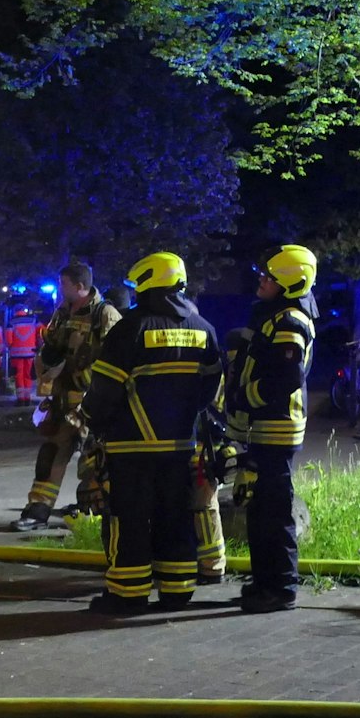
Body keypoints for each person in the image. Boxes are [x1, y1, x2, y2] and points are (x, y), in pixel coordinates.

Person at [79, 251, 221, 615]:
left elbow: (104, 391)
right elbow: (210, 391)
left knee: (130, 518)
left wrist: (92, 420)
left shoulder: (130, 329)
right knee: (175, 515)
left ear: (145, 283)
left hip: (131, 447)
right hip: (180, 447)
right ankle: (177, 590)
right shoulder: (205, 329)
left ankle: (128, 594)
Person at [217, 245, 319, 613]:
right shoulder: (274, 315)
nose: (262, 280)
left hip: (276, 431)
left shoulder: (290, 320)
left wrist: (245, 397)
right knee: (258, 511)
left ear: (289, 285)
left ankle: (281, 589)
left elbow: (285, 379)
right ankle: (264, 584)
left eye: (269, 278)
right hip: (261, 431)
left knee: (274, 514)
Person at [11, 261, 122, 531]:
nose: (60, 289)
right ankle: (37, 510)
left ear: (80, 286)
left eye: (64, 284)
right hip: (63, 400)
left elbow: (117, 359)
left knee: (97, 462)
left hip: (92, 403)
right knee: (51, 454)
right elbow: (52, 345)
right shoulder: (61, 312)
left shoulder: (104, 314)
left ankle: (98, 512)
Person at [3, 300, 44, 403]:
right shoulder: (33, 320)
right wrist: (38, 344)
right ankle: (28, 398)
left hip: (16, 354)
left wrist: (10, 346)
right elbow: (42, 331)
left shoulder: (11, 322)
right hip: (30, 353)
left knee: (19, 375)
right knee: (28, 375)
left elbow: (9, 340)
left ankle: (21, 399)